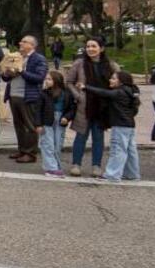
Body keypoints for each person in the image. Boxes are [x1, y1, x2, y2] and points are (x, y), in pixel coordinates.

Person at [63, 37, 117, 178]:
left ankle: (96, 166)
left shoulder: (110, 65)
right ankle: (76, 164)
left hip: (102, 107)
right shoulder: (79, 63)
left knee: (98, 137)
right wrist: (78, 95)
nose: (90, 49)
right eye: (88, 46)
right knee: (81, 136)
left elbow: (120, 81)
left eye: (94, 46)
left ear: (101, 48)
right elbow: (69, 82)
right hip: (83, 106)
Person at [82, 71, 142, 182]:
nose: (110, 80)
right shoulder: (130, 91)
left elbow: (103, 93)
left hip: (120, 125)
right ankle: (132, 173)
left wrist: (86, 87)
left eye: (113, 78)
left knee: (117, 149)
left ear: (121, 81)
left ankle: (112, 175)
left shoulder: (119, 92)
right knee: (130, 150)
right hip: (129, 125)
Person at [2, 35, 48, 164]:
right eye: (21, 41)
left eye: (24, 42)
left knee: (29, 126)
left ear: (32, 46)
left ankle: (30, 153)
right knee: (18, 126)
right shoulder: (17, 57)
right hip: (13, 95)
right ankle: (22, 150)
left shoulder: (39, 59)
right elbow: (5, 78)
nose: (20, 43)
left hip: (28, 96)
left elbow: (39, 78)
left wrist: (21, 71)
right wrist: (6, 73)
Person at [35, 70, 76, 177]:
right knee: (47, 144)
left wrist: (67, 117)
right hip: (47, 121)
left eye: (49, 79)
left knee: (57, 145)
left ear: (56, 81)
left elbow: (72, 108)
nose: (46, 81)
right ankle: (50, 168)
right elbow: (38, 110)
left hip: (60, 121)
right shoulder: (43, 93)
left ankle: (56, 166)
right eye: (46, 79)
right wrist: (38, 124)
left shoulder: (67, 93)